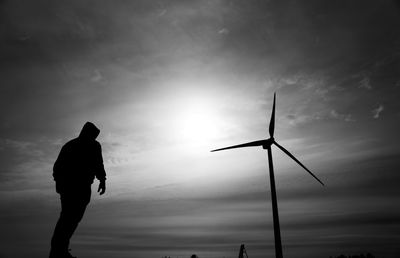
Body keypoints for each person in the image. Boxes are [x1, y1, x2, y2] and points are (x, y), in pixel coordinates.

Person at [49, 122, 107, 258]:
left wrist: (102, 180)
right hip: (70, 189)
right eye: (92, 134)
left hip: (84, 187)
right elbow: (57, 168)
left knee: (73, 219)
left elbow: (99, 164)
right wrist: (61, 184)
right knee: (67, 218)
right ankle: (58, 251)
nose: (94, 137)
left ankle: (61, 250)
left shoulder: (95, 146)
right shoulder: (70, 146)